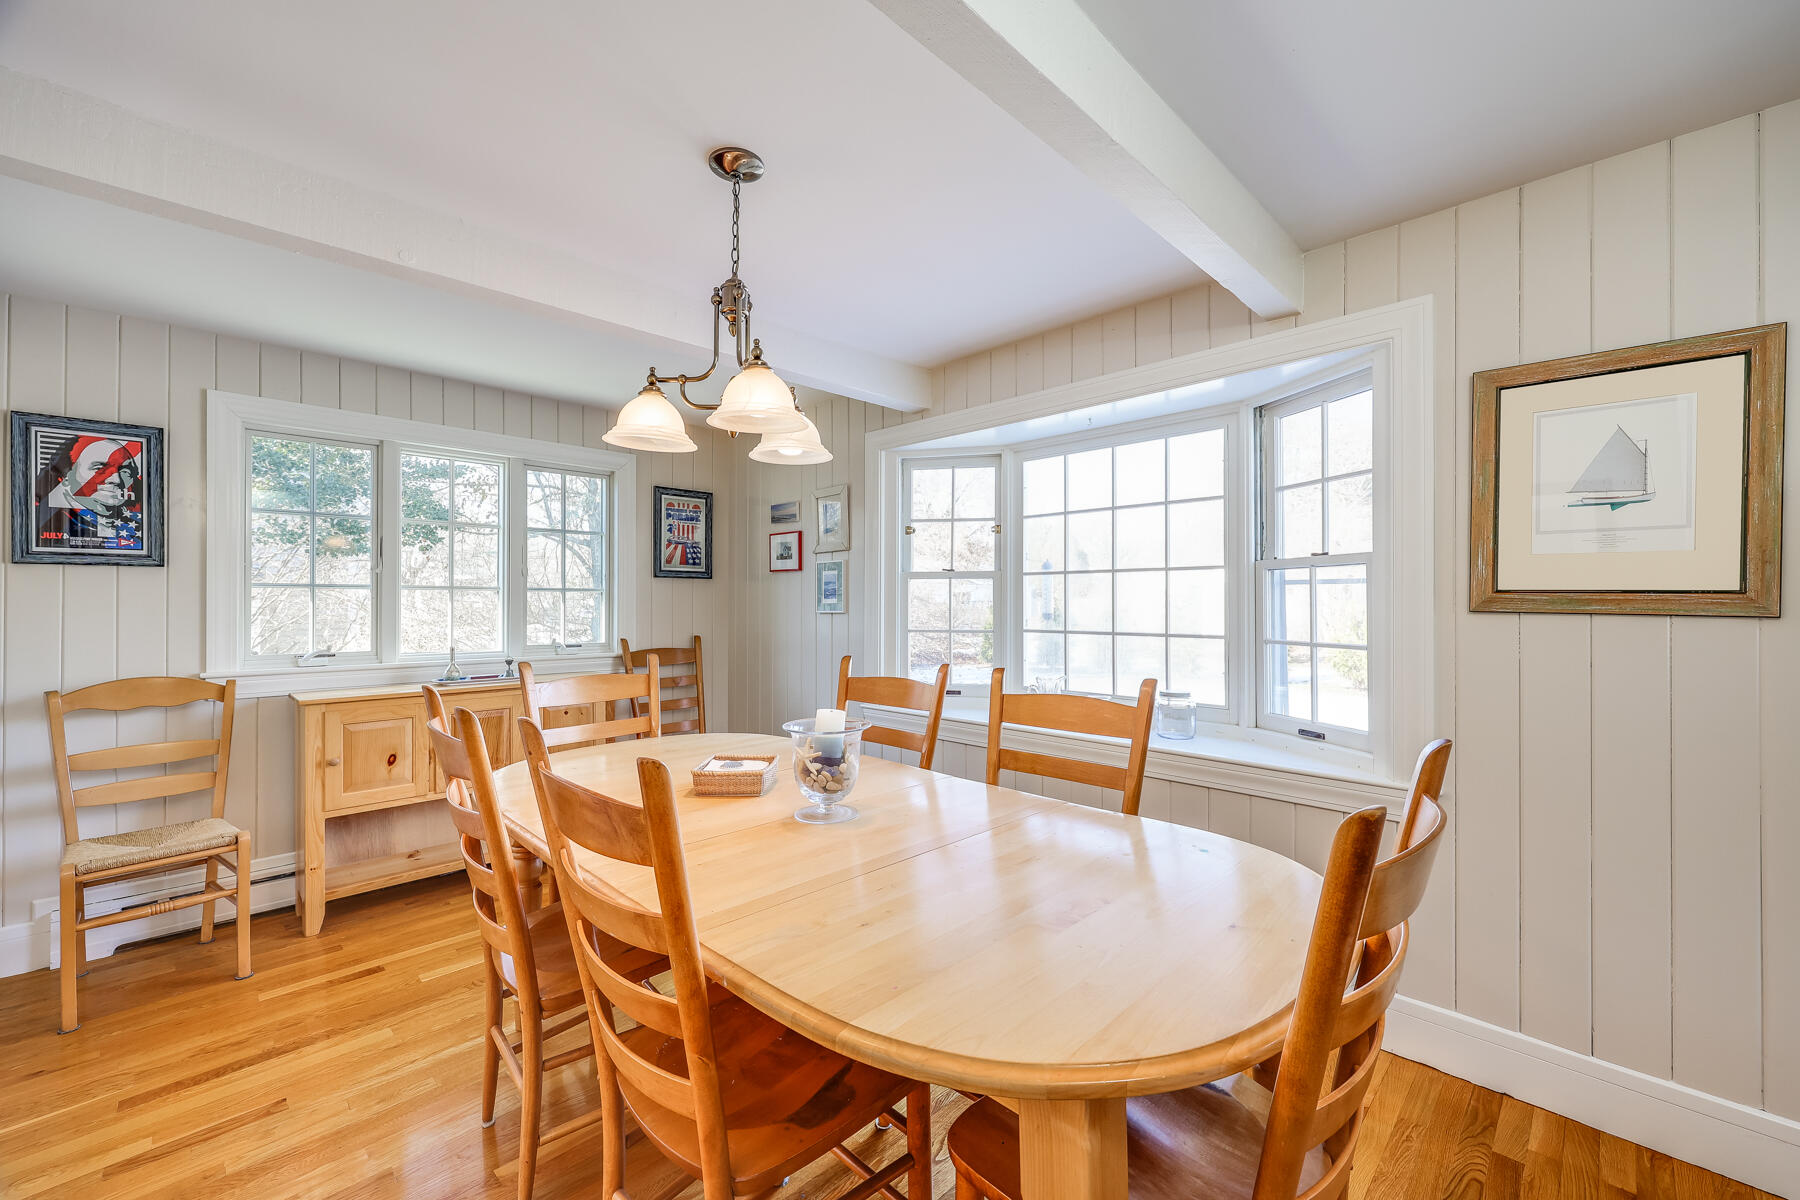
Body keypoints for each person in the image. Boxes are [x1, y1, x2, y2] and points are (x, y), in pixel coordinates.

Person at [34, 434, 144, 550]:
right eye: (100, 469)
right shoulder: (44, 520)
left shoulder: (139, 525)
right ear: (66, 477)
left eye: (125, 471)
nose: (116, 480)